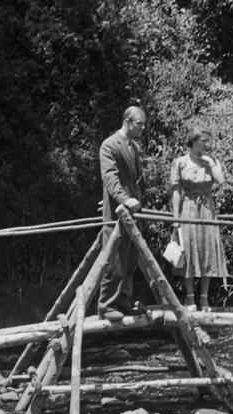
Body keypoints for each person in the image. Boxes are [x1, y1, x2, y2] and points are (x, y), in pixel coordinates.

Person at [169, 128, 228, 311]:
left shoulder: (211, 161)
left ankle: (204, 298)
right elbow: (176, 192)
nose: (207, 145)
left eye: (208, 141)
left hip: (207, 210)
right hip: (188, 208)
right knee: (188, 251)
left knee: (207, 250)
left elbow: (220, 181)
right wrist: (176, 217)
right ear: (194, 142)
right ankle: (189, 298)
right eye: (204, 141)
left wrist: (210, 163)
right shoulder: (180, 162)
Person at [97, 106, 148, 320]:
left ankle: (124, 301)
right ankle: (107, 305)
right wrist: (123, 199)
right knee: (115, 259)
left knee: (130, 260)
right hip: (117, 213)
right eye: (140, 124)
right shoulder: (109, 145)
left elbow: (137, 182)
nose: (143, 128)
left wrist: (138, 202)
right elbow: (110, 177)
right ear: (127, 121)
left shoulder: (134, 148)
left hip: (134, 213)